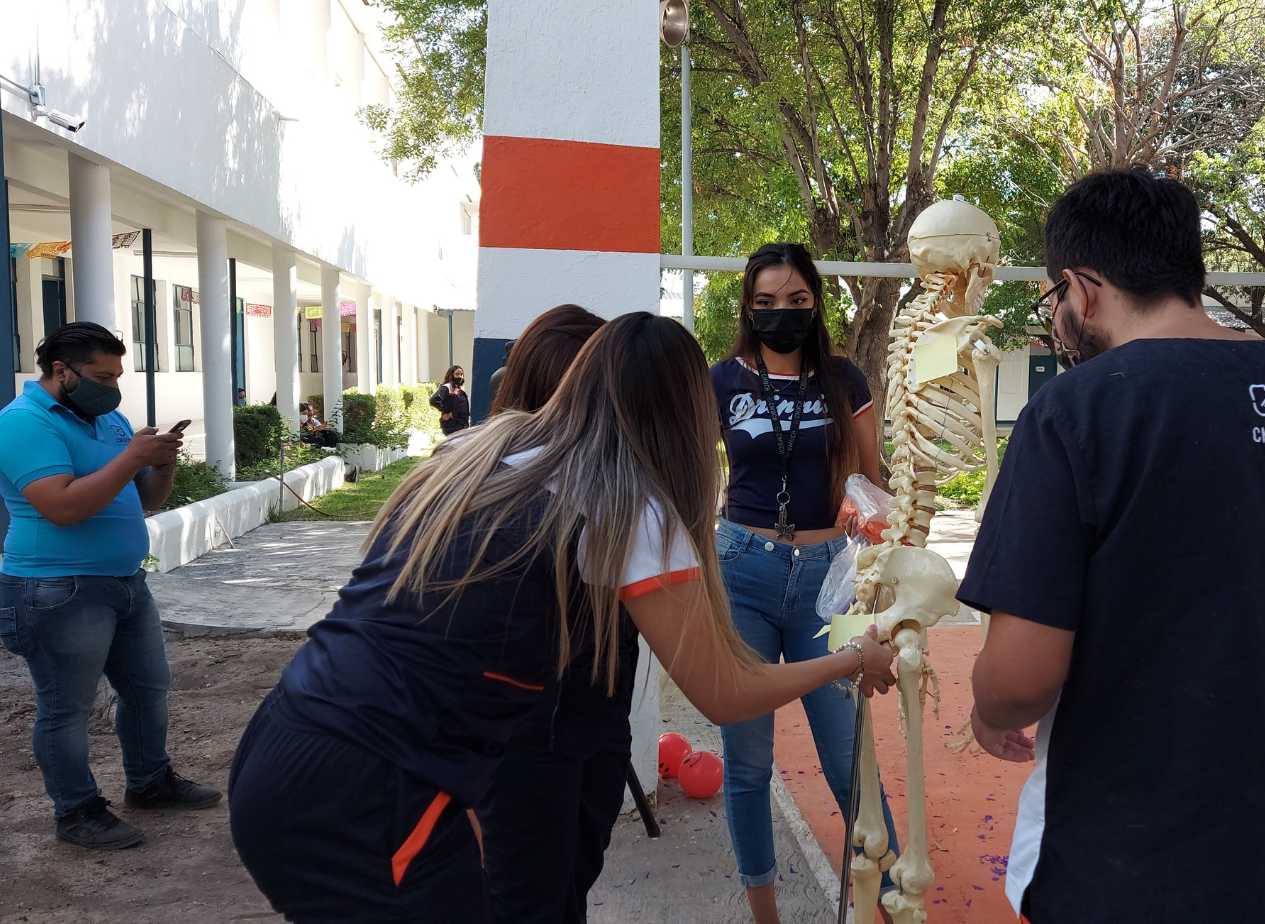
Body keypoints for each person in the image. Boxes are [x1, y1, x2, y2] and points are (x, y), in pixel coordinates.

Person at [227, 312, 898, 921]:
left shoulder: (484, 452)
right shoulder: (629, 506)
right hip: (364, 796)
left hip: (282, 745)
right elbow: (723, 692)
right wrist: (851, 660)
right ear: (688, 416)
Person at [956, 169, 1265, 923]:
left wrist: (990, 709)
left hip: (1120, 873)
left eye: (1055, 301)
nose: (1058, 320)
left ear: (1082, 289)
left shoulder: (1075, 411)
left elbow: (1022, 675)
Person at [710, 242, 897, 924]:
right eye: (764, 303)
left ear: (815, 302)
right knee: (747, 759)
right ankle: (766, 915)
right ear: (747, 308)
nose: (779, 314)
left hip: (830, 577)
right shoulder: (723, 380)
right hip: (742, 571)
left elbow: (876, 482)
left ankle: (893, 902)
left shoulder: (844, 380)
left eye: (794, 301)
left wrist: (882, 574)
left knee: (848, 754)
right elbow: (693, 472)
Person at [0, 322, 222, 850]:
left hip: (124, 583)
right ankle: (76, 811)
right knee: (67, 707)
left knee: (148, 691)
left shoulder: (108, 418)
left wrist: (160, 464)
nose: (114, 386)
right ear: (61, 371)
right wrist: (132, 459)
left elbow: (147, 501)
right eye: (103, 375)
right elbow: (63, 507)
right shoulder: (22, 424)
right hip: (57, 590)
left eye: (118, 375)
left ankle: (149, 783)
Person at [476, 303, 626, 923]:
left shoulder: (618, 485)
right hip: (517, 742)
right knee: (529, 900)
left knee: (570, 884)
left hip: (595, 721)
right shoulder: (480, 484)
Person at [430, 365, 471, 435]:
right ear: (451, 375)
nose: (460, 376)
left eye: (461, 374)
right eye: (457, 374)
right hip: (452, 426)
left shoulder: (460, 389)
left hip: (462, 425)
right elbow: (434, 400)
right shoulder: (447, 387)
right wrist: (447, 412)